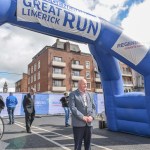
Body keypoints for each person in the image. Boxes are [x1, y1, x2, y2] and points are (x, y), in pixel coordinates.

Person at [69, 78, 96, 150]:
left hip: (89, 124)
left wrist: (92, 117)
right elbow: (73, 108)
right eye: (84, 84)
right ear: (79, 85)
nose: (86, 85)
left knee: (88, 145)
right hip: (78, 124)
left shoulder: (90, 94)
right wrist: (83, 117)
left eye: (86, 84)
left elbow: (93, 107)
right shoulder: (73, 94)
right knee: (78, 145)